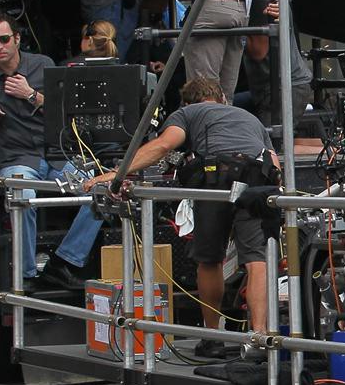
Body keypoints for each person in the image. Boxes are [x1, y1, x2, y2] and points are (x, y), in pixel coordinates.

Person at [84, 76, 276, 358]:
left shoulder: (187, 113)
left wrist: (116, 174)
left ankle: (212, 337)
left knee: (210, 259)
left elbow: (164, 145)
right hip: (257, 178)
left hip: (217, 176)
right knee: (257, 260)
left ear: (188, 101)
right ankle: (260, 338)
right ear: (222, 98)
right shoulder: (249, 117)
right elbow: (272, 158)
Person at [0, 16, 101, 290]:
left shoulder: (42, 64)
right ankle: (27, 274)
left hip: (55, 155)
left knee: (100, 190)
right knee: (23, 195)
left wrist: (30, 94)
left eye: (4, 39)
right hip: (17, 157)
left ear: (17, 39)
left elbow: (63, 109)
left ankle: (65, 261)